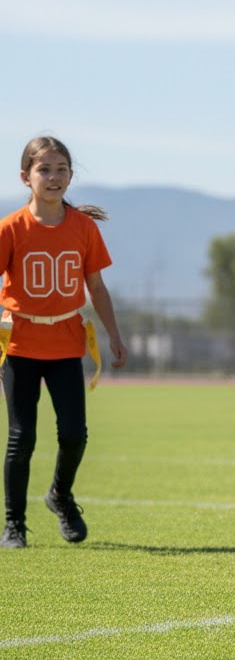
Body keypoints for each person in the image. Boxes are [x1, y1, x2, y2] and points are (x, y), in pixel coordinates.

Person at [0, 136, 128, 549]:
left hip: (66, 344)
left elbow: (97, 286)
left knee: (74, 433)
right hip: (19, 346)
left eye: (61, 170)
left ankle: (59, 495)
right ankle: (13, 524)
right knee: (22, 437)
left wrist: (114, 334)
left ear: (71, 176)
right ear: (26, 177)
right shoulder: (11, 228)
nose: (53, 177)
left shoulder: (83, 228)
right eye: (44, 170)